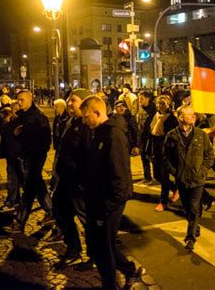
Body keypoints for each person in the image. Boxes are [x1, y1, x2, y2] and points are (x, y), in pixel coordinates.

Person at [80, 96, 141, 290]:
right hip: (99, 199)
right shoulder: (98, 132)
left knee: (103, 249)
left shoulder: (113, 135)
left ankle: (110, 285)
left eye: (86, 116)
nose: (83, 120)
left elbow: (120, 174)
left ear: (97, 113)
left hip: (109, 202)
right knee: (103, 244)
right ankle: (129, 269)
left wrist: (109, 205)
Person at [163, 105, 214, 252]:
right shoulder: (172, 135)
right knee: (187, 207)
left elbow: (209, 155)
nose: (193, 117)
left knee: (193, 207)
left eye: (193, 115)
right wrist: (175, 172)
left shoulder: (200, 135)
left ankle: (190, 238)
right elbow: (166, 157)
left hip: (197, 179)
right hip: (182, 179)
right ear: (180, 117)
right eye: (190, 115)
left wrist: (202, 170)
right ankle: (195, 224)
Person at [51, 89, 93, 269]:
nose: (69, 104)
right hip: (65, 178)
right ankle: (73, 248)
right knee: (60, 210)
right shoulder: (69, 121)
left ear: (84, 103)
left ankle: (97, 255)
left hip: (79, 182)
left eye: (73, 101)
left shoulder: (87, 124)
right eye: (68, 101)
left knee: (87, 219)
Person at [5, 90, 53, 233]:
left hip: (35, 157)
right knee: (37, 187)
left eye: (21, 100)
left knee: (29, 190)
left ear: (30, 100)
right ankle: (51, 212)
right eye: (17, 100)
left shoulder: (38, 117)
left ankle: (19, 222)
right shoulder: (22, 116)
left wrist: (22, 136)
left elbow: (45, 140)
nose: (18, 102)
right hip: (27, 156)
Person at [149, 95, 179, 211]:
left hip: (165, 150)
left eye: (162, 103)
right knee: (156, 175)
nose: (159, 105)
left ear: (168, 105)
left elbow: (173, 137)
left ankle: (163, 201)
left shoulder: (171, 118)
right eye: (158, 103)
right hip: (155, 148)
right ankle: (174, 188)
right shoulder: (155, 116)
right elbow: (150, 133)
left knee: (164, 175)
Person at [0, 102, 23, 210]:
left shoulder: (20, 122)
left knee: (16, 179)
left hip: (17, 154)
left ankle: (12, 201)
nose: (12, 111)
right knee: (14, 178)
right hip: (11, 154)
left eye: (14, 109)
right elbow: (6, 138)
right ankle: (15, 199)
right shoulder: (11, 122)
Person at [136, 90, 157, 184]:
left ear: (148, 98)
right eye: (139, 98)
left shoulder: (153, 109)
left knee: (152, 157)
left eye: (142, 98)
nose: (140, 100)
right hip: (142, 136)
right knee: (143, 156)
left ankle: (157, 177)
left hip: (150, 137)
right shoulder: (140, 108)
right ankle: (147, 176)